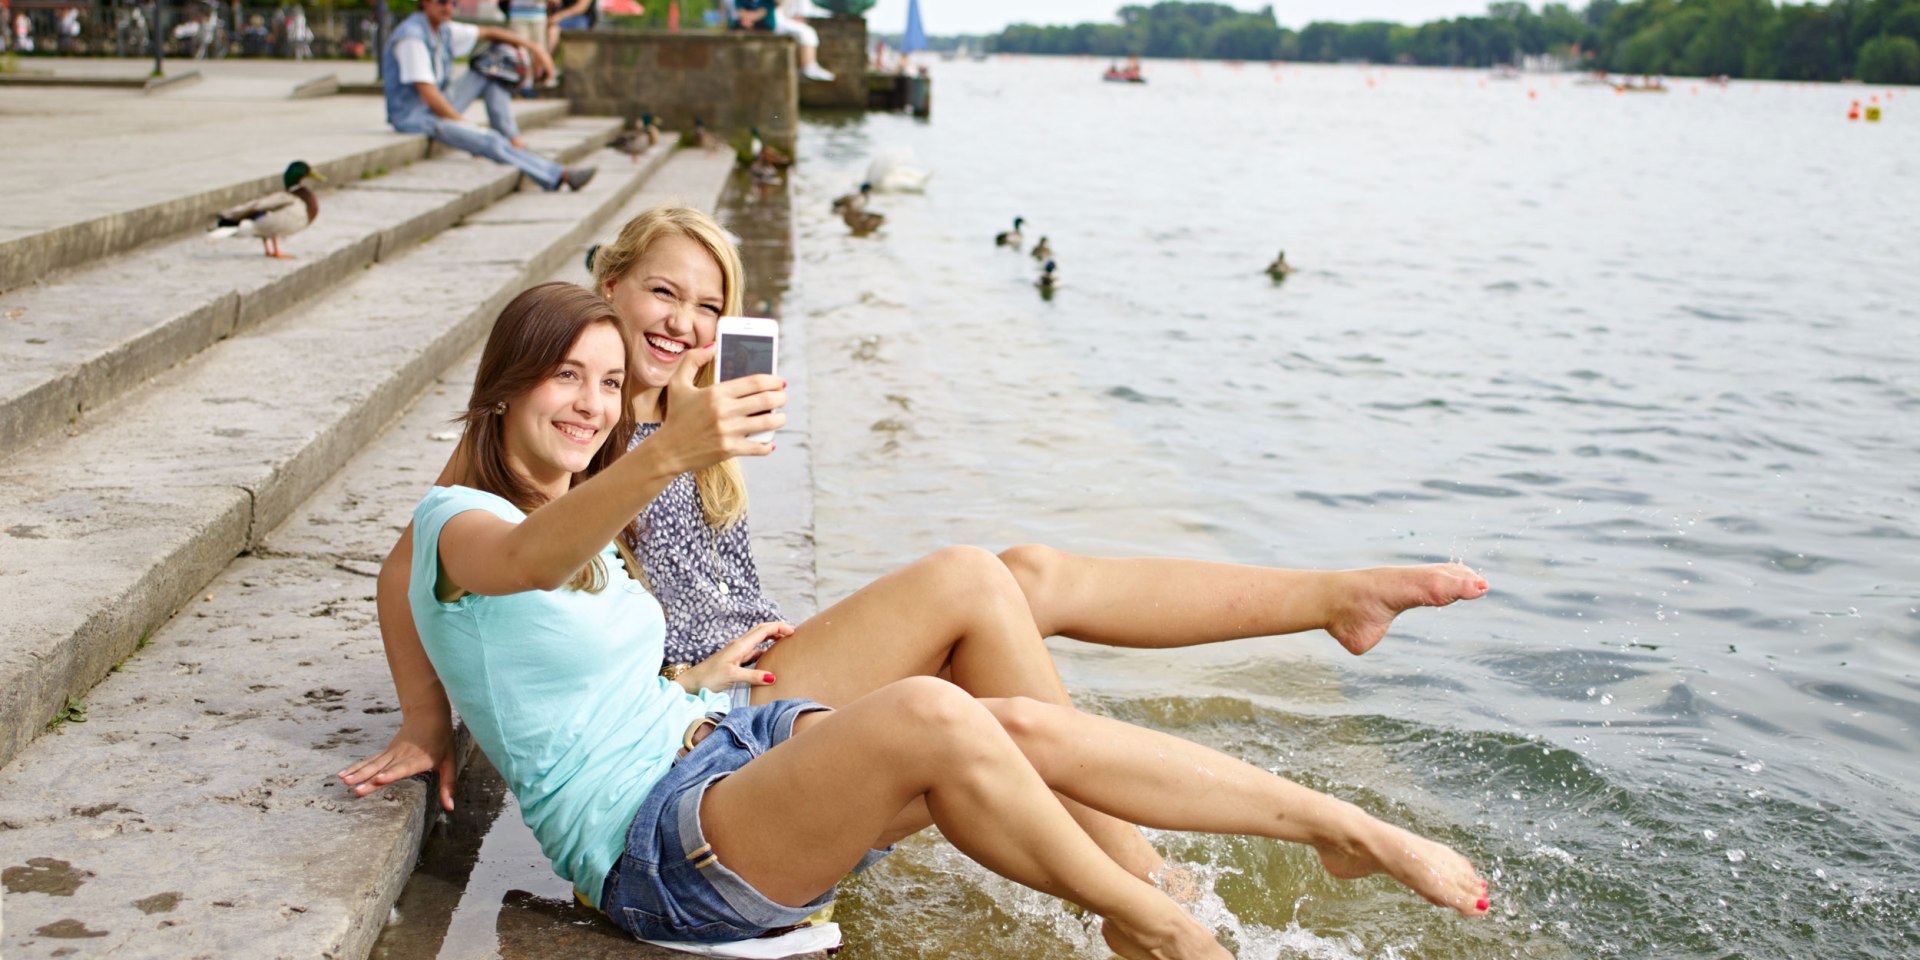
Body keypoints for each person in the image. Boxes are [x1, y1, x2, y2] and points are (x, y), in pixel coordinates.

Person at [341, 206, 1494, 890]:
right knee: (965, 578)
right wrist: (423, 722)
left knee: (1025, 570)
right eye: (661, 291)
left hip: (769, 672)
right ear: (607, 290)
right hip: (706, 723)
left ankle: (1329, 596)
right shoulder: (578, 431)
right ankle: (1138, 874)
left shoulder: (688, 417)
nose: (683, 322)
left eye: (708, 303)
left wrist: (693, 430)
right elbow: (420, 557)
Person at [383, 0, 595, 191]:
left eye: (453, 3)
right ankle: (557, 175)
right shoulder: (412, 37)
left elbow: (490, 32)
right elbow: (428, 94)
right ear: (424, 3)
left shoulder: (442, 29)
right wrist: (467, 126)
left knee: (491, 70)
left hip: (434, 105)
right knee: (490, 140)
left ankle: (513, 140)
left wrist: (535, 49)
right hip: (414, 116)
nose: (448, 8)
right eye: (442, 2)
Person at [728, 0, 834, 82]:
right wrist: (747, 19)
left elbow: (770, 8)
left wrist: (749, 18)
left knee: (807, 32)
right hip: (755, 27)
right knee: (806, 32)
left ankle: (809, 66)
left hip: (768, 23)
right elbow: (740, 11)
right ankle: (808, 66)